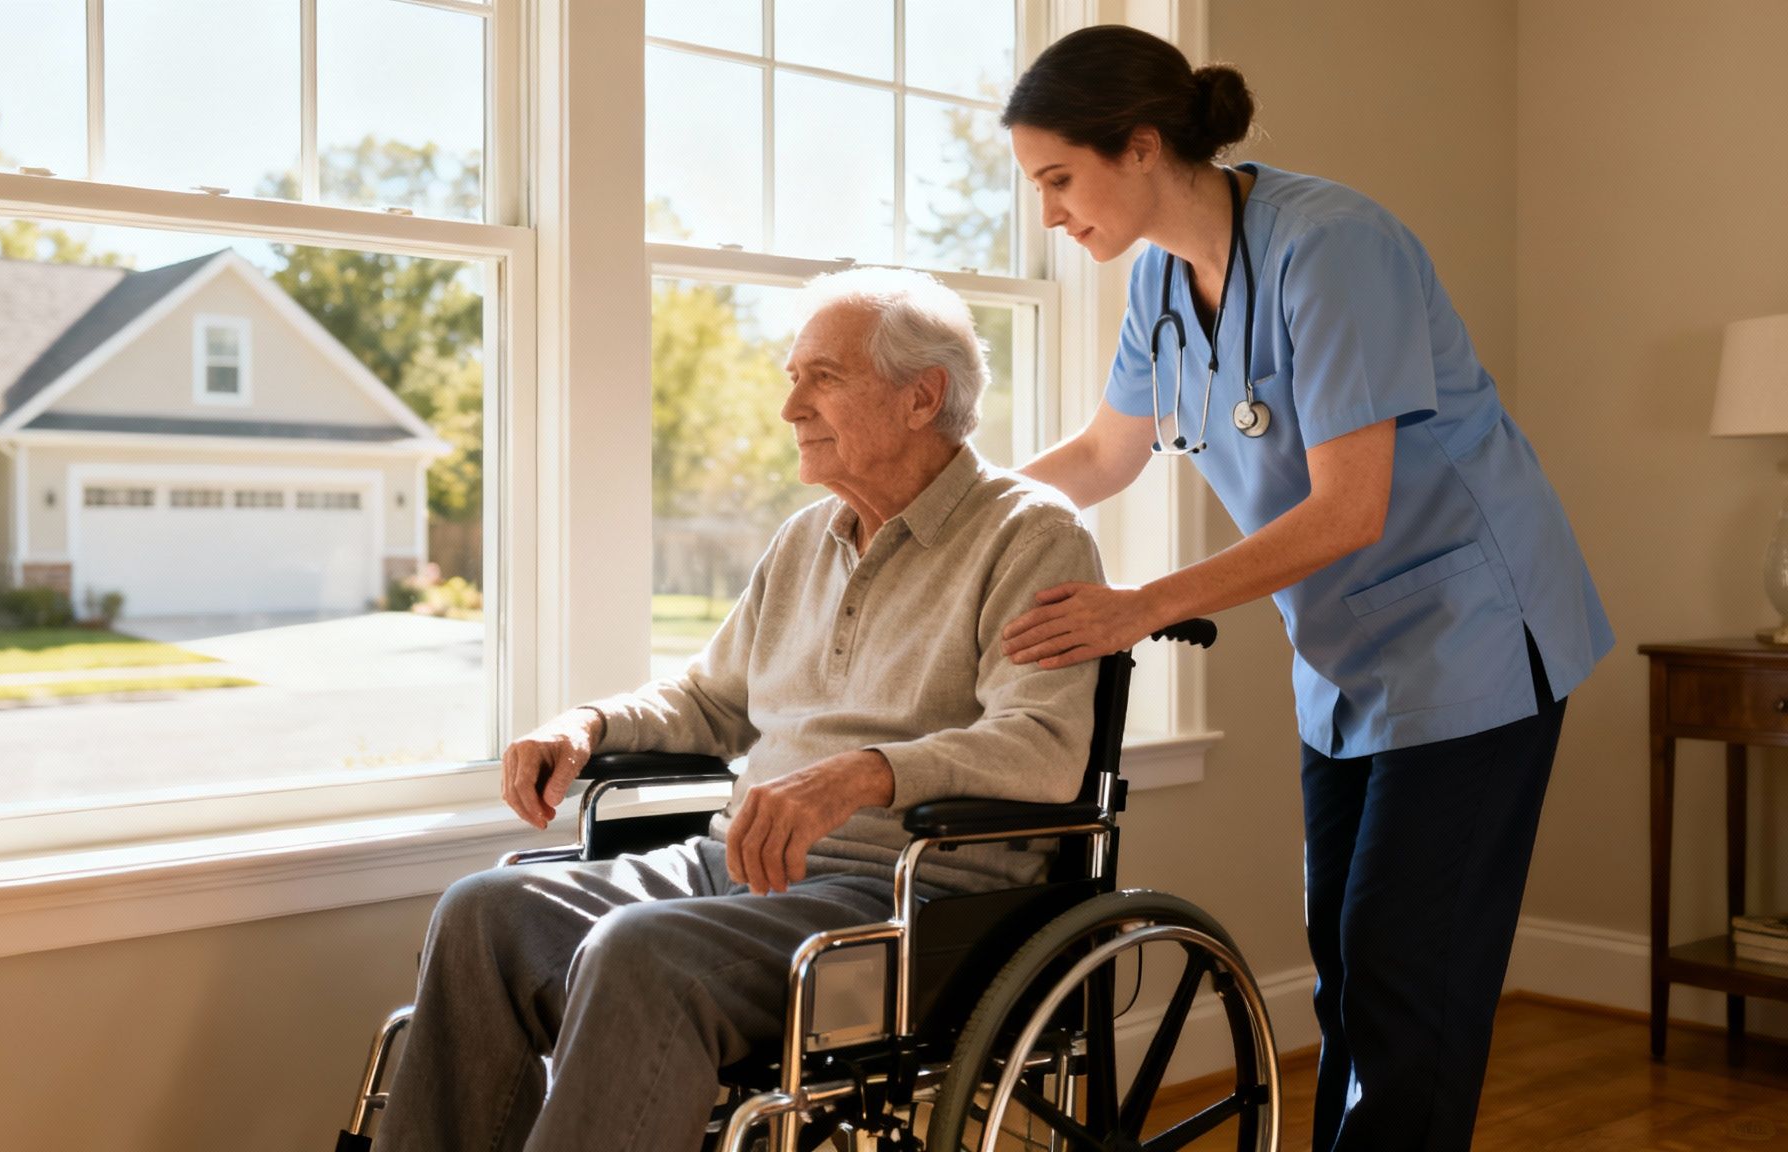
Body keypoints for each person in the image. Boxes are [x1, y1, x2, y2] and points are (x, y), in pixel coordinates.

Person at [996, 25, 1611, 1152]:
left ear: (1137, 148)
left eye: (1056, 180)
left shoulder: (1330, 246)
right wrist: (942, 513)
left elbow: (1347, 509)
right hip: (1346, 659)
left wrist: (1139, 605)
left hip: (1469, 638)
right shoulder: (1157, 280)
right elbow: (1100, 457)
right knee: (1345, 963)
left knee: (1401, 976)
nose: (1046, 212)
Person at [371, 267, 1106, 1152]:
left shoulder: (1032, 536)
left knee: (641, 954)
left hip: (911, 907)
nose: (791, 407)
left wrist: (865, 777)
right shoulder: (806, 538)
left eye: (822, 378)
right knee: (484, 913)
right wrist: (589, 726)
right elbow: (709, 699)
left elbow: (1045, 747)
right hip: (740, 867)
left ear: (924, 397)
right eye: (792, 376)